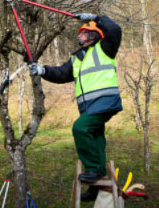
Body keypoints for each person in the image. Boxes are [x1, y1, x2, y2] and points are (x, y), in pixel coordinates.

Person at [29, 13, 122, 202]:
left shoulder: (106, 47)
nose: (79, 35)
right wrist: (42, 70)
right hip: (89, 107)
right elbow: (61, 74)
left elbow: (114, 29)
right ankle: (97, 189)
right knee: (96, 140)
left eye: (83, 32)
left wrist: (97, 17)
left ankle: (94, 171)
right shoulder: (77, 58)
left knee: (80, 128)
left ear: (93, 35)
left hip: (104, 102)